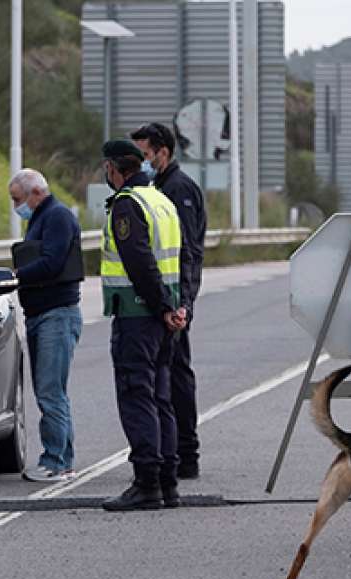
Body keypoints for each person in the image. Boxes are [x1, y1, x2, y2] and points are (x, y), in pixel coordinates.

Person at [97, 140, 188, 512]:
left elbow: (138, 261)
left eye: (107, 169)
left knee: (138, 396)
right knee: (161, 397)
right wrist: (175, 306)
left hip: (139, 316)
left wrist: (162, 306)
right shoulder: (162, 201)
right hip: (164, 317)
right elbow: (179, 260)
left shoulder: (128, 205)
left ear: (115, 169)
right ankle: (168, 483)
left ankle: (146, 483)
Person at [131, 122, 207, 480]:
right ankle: (170, 451)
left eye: (145, 155)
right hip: (163, 304)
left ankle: (186, 453)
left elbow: (188, 254)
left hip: (175, 305)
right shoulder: (157, 188)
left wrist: (184, 307)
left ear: (163, 152)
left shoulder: (179, 190)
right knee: (162, 380)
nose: (142, 163)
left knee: (177, 379)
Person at [8, 168, 84, 482]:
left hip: (56, 313)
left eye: (18, 199)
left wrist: (15, 277)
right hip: (41, 314)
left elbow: (52, 262)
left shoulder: (57, 217)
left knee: (51, 392)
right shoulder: (40, 218)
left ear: (36, 192)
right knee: (49, 391)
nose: (16, 207)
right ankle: (60, 459)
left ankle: (56, 461)